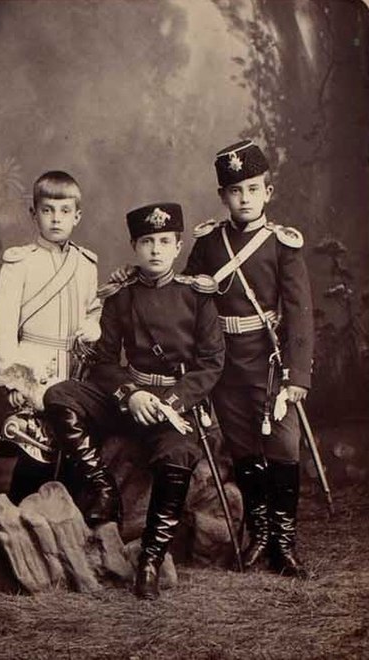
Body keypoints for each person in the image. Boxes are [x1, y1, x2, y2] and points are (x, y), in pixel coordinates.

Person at [43, 202, 225, 599]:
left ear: (178, 246)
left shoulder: (197, 297)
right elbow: (105, 361)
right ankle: (102, 487)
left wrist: (171, 401)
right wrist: (132, 392)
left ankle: (150, 559)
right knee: (59, 395)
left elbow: (211, 364)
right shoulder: (121, 296)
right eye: (147, 242)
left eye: (164, 241)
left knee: (177, 455)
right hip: (131, 397)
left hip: (174, 407)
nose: (155, 250)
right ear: (134, 246)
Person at [185, 139, 315, 578]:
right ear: (222, 196)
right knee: (242, 448)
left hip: (270, 361)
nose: (245, 199)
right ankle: (258, 532)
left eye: (254, 189)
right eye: (236, 191)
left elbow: (299, 314)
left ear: (268, 192)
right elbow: (188, 296)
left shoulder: (283, 245)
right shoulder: (208, 243)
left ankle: (284, 542)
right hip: (223, 364)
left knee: (282, 447)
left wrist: (297, 375)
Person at [0, 170, 120, 526]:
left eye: (64, 211)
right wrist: (15, 381)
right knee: (37, 452)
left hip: (73, 371)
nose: (56, 219)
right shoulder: (20, 263)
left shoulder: (86, 263)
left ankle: (65, 531)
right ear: (34, 214)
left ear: (77, 216)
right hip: (34, 368)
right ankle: (16, 527)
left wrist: (92, 326)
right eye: (47, 211)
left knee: (72, 452)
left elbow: (92, 312)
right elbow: (3, 327)